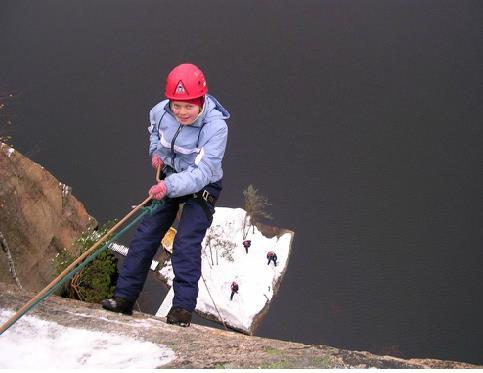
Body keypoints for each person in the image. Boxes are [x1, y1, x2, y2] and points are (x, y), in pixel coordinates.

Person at [101, 63, 230, 327]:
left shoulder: (216, 128)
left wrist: (168, 187)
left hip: (201, 186)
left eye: (189, 106)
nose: (182, 112)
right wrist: (155, 154)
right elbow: (155, 135)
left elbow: (203, 172)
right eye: (177, 105)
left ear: (201, 101)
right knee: (146, 235)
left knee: (185, 243)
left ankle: (182, 310)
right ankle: (124, 298)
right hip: (170, 176)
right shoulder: (160, 111)